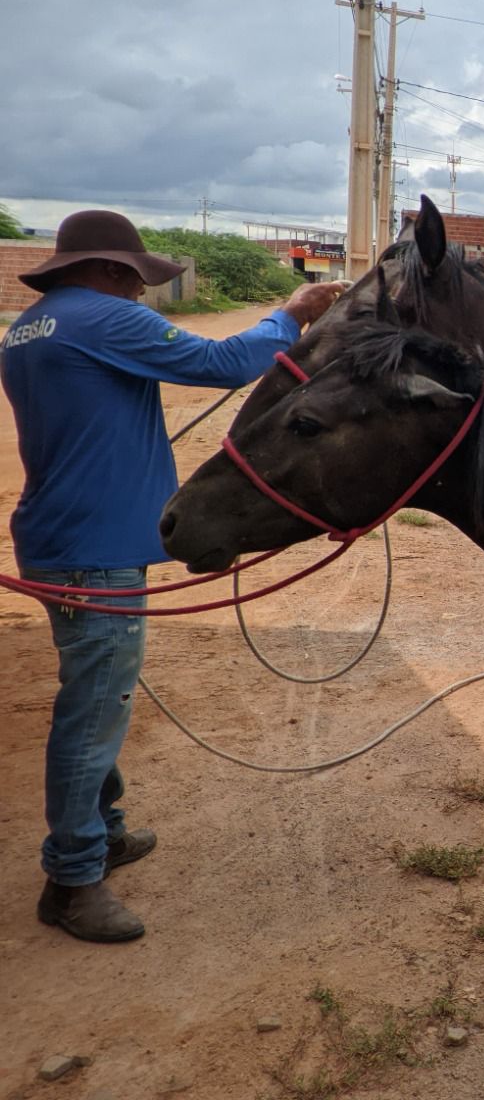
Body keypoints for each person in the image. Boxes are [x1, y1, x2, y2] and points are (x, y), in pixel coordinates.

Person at [1, 210, 347, 943]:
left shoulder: (32, 327)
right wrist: (291, 313)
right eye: (134, 283)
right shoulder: (101, 318)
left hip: (57, 537)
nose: (138, 297)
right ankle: (73, 878)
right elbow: (221, 364)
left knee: (94, 697)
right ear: (113, 272)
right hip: (96, 548)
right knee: (92, 714)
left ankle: (105, 829)